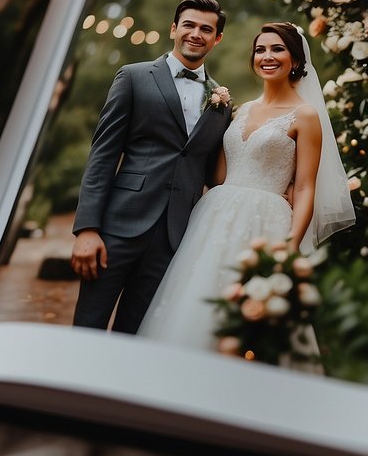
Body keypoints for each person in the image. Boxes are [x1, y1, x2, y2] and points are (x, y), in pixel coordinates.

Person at [136, 21, 355, 354]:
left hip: (266, 222)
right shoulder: (240, 110)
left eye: (277, 49)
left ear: (295, 60)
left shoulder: (305, 116)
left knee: (251, 308)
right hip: (215, 215)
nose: (267, 56)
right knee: (195, 296)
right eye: (260, 49)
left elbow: (306, 187)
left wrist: (288, 248)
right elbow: (219, 175)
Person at [70, 0, 234, 334]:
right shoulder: (133, 77)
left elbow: (212, 172)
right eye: (188, 25)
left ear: (217, 39)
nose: (195, 34)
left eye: (206, 29)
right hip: (118, 227)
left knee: (137, 333)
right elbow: (103, 154)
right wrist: (87, 229)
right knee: (88, 326)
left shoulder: (221, 101)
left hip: (175, 237)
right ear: (174, 28)